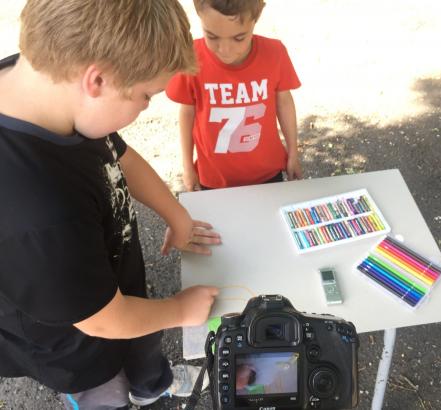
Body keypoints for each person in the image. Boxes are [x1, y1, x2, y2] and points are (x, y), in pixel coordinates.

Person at [0, 1, 221, 409]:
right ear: (96, 80)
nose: (145, 107)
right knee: (107, 390)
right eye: (146, 96)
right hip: (75, 343)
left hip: (108, 284)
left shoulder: (40, 83)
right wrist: (179, 309)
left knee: (142, 337)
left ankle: (151, 384)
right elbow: (104, 319)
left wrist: (176, 213)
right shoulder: (41, 212)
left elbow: (119, 154)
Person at [166, 0, 303, 191]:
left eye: (239, 38)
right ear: (199, 16)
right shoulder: (191, 57)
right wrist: (188, 166)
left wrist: (293, 153)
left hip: (267, 173)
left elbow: (284, 103)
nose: (225, 50)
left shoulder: (274, 53)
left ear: (255, 19)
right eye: (212, 36)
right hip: (214, 178)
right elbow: (187, 113)